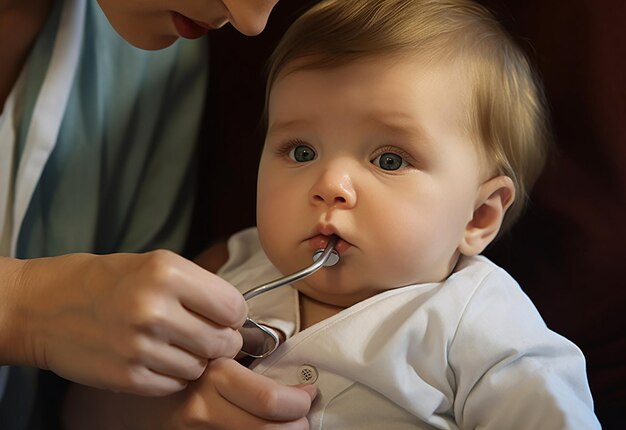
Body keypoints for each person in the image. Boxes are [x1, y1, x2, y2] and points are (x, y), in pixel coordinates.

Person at [193, 0, 601, 427]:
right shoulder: (235, 264)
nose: (331, 184)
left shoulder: (485, 327)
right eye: (302, 151)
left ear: (478, 215)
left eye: (389, 160)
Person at [1, 0, 316, 428]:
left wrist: (149, 405)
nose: (249, 22)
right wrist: (24, 307)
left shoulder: (159, 51)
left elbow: (89, 379)